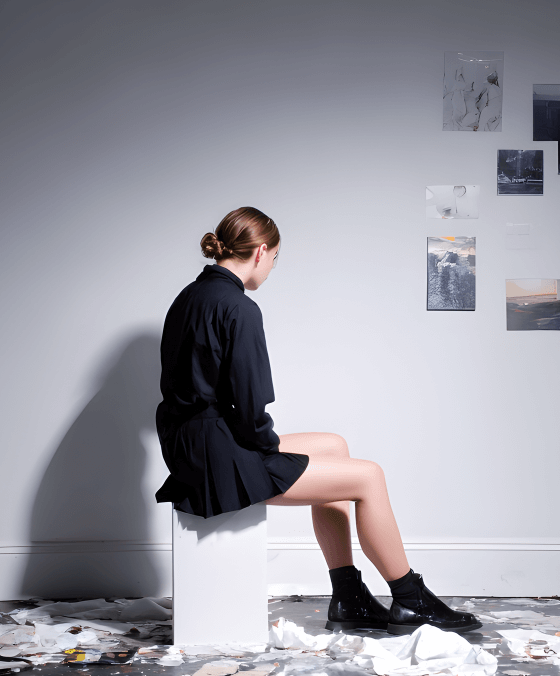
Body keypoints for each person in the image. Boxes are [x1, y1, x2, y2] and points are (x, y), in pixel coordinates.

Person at [154, 207, 481, 635]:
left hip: (192, 443)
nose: (271, 269)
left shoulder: (190, 296)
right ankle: (409, 597)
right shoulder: (239, 307)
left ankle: (348, 595)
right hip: (216, 457)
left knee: (334, 446)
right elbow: (249, 406)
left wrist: (261, 443)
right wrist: (267, 449)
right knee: (369, 477)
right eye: (274, 260)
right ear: (262, 251)